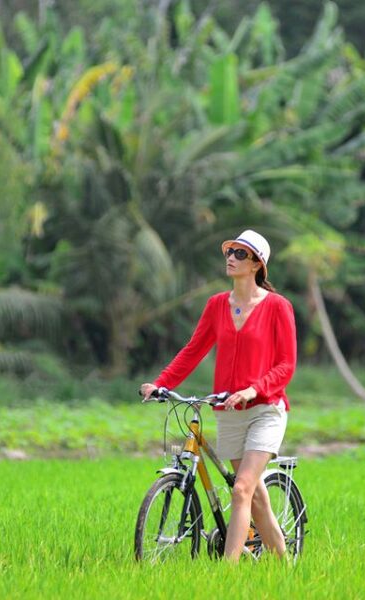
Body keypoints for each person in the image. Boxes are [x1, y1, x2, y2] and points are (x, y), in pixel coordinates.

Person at [140, 229, 297, 562]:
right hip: (227, 411)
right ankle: (285, 566)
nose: (231, 257)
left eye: (241, 253)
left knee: (240, 490)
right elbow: (193, 351)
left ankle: (228, 574)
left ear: (257, 264)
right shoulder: (215, 306)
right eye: (230, 251)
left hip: (265, 409)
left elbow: (287, 365)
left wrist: (254, 389)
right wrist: (160, 383)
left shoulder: (278, 307)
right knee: (254, 497)